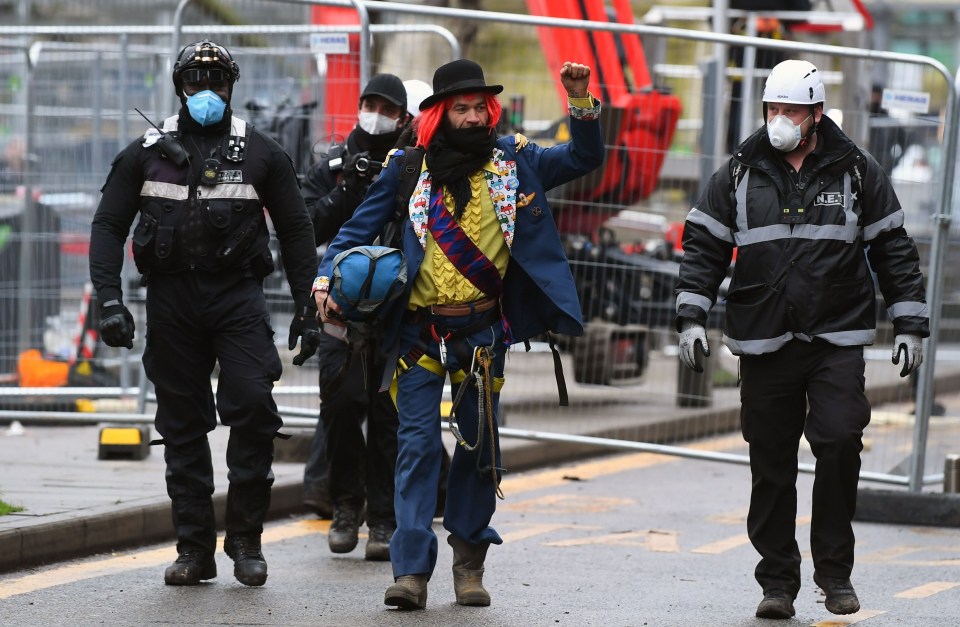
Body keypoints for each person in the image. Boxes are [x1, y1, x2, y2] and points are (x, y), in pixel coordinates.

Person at [313, 58, 603, 610]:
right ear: (441, 114)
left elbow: (585, 156)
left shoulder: (516, 159)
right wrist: (325, 276)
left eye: (480, 108)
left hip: (483, 337)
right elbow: (357, 227)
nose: (472, 118)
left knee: (477, 452)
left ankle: (469, 565)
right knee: (416, 449)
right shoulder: (406, 168)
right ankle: (411, 573)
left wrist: (580, 99)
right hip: (419, 335)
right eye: (461, 109)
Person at [675, 59, 929, 620]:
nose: (780, 120)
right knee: (771, 463)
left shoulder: (855, 170)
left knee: (839, 442)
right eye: (773, 109)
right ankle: (778, 583)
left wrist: (910, 323)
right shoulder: (739, 172)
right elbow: (703, 247)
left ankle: (835, 574)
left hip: (836, 336)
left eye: (791, 110)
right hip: (764, 337)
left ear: (816, 114)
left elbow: (893, 249)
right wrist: (691, 317)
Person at [88, 40, 320, 587]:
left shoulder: (262, 152)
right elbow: (107, 226)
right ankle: (194, 549)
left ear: (232, 88)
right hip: (171, 302)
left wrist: (310, 306)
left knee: (255, 405)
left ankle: (245, 539)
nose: (207, 91)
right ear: (179, 87)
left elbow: (296, 230)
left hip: (237, 299)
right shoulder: (144, 152)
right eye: (196, 80)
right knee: (183, 424)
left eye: (218, 81)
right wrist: (110, 300)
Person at [300, 73, 411, 560]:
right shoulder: (332, 162)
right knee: (342, 408)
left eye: (387, 107)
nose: (376, 113)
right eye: (370, 104)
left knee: (388, 417)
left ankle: (383, 520)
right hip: (339, 309)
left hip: (394, 311)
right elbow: (306, 227)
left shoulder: (410, 167)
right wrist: (346, 188)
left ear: (403, 117)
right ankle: (346, 505)